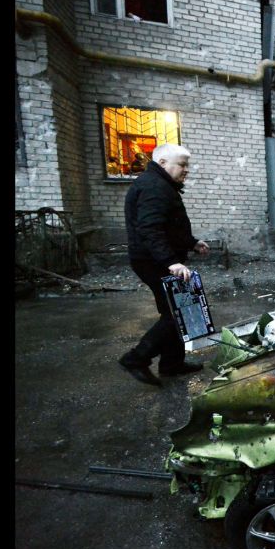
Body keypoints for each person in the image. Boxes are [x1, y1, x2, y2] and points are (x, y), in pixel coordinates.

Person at [118, 143, 210, 385]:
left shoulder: (161, 185)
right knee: (176, 313)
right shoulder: (154, 186)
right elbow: (150, 229)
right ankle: (136, 358)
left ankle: (171, 364)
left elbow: (169, 226)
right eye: (182, 164)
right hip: (154, 261)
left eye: (187, 164)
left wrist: (191, 242)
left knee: (176, 311)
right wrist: (171, 262)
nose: (186, 169)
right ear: (162, 163)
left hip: (156, 259)